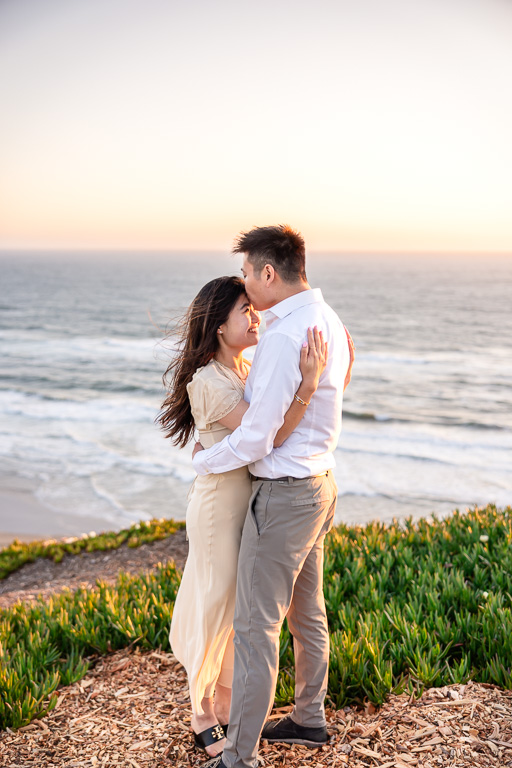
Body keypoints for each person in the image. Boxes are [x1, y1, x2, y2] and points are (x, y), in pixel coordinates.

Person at [192, 225, 353, 768]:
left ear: (268, 272)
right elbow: (338, 381)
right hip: (320, 485)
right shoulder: (326, 318)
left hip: (285, 495)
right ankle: (308, 717)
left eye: (245, 273)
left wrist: (206, 461)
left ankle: (239, 755)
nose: (243, 283)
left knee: (255, 627)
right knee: (307, 611)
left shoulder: (285, 336)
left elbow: (259, 436)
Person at [157, 275, 331, 758]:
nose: (254, 317)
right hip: (218, 507)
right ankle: (201, 711)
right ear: (218, 327)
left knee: (239, 607)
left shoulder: (246, 365)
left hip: (246, 501)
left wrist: (337, 360)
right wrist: (310, 384)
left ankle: (228, 698)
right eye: (244, 312)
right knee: (214, 607)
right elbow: (268, 435)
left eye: (253, 310)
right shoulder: (209, 381)